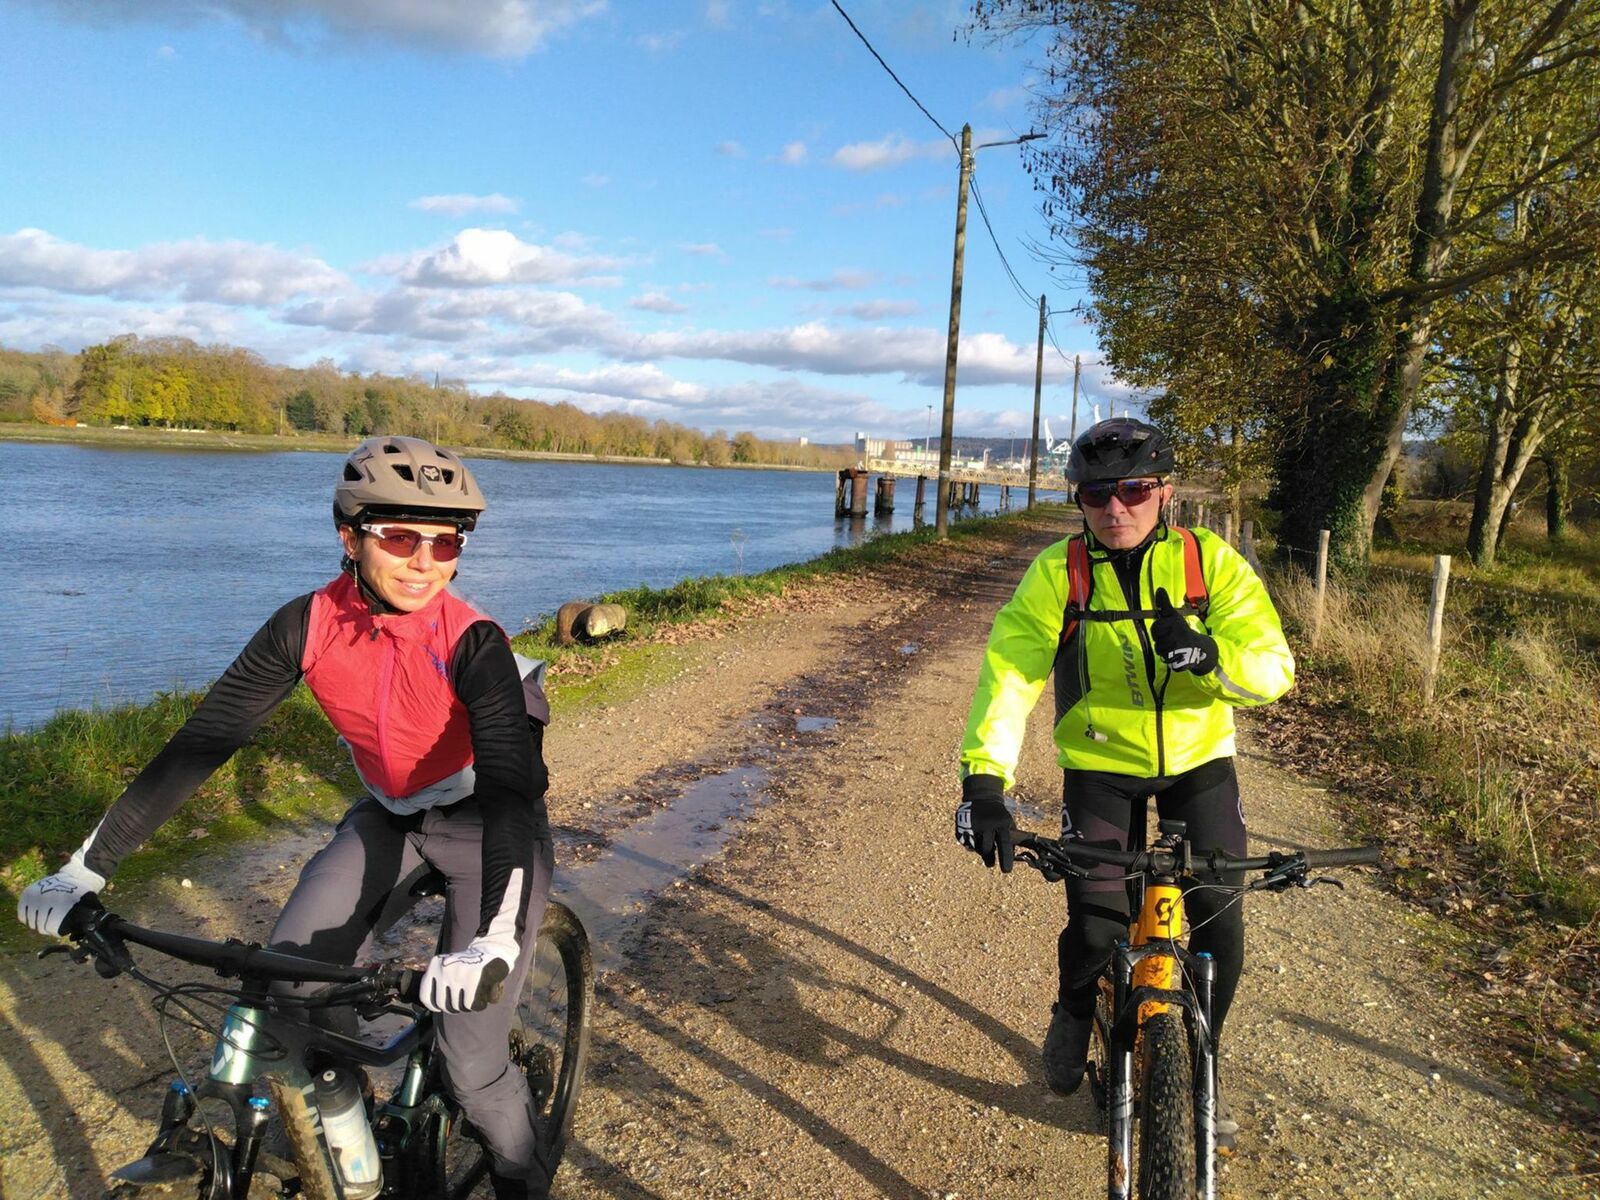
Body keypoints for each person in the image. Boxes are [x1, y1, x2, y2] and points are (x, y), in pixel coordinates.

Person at [18, 436, 555, 1198]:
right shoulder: (306, 625)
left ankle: (525, 1178)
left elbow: (507, 793)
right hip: (393, 814)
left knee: (472, 1064)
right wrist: (85, 868)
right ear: (350, 537)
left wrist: (493, 941)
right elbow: (204, 742)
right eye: (400, 537)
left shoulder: (474, 644)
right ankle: (355, 1136)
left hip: (488, 830)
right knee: (289, 993)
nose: (424, 562)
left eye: (445, 543)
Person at [954, 417, 1294, 1150]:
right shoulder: (1061, 573)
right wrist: (984, 783)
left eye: (1135, 490)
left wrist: (1210, 657)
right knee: (1096, 926)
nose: (1116, 508)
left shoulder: (1208, 564)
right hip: (1100, 767)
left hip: (1198, 763)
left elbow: (1274, 670)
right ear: (1079, 500)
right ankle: (1076, 1009)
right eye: (1096, 494)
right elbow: (1010, 676)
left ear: (1165, 492)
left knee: (1219, 921)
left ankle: (1203, 1067)